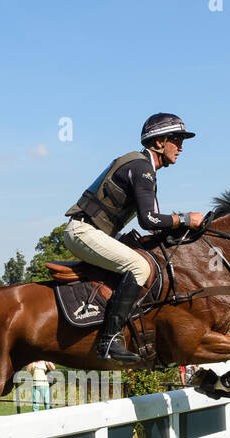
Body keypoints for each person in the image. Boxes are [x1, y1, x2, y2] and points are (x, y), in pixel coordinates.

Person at [63, 113, 202, 363]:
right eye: (177, 140)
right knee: (138, 266)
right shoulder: (142, 168)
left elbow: (156, 226)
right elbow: (148, 220)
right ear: (159, 142)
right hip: (82, 231)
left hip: (94, 232)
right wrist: (185, 218)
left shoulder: (145, 168)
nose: (181, 148)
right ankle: (108, 341)